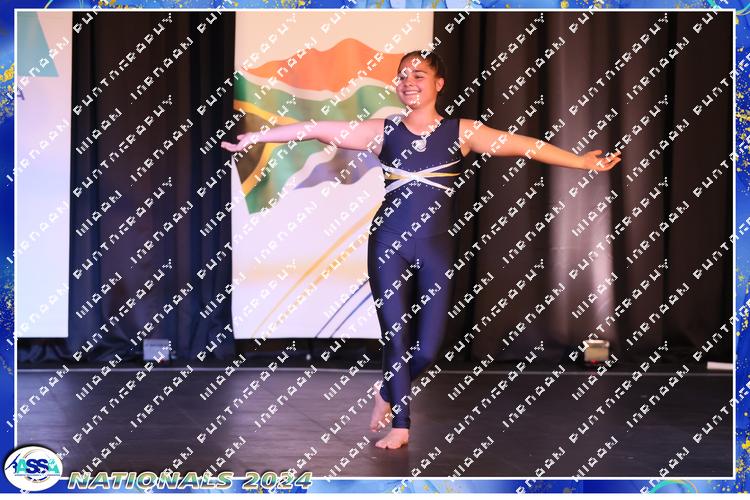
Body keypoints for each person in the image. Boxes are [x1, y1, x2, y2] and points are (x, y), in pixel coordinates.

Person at [221, 50, 622, 450]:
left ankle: (388, 389)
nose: (408, 82)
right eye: (402, 76)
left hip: (436, 247)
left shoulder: (461, 131)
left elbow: (524, 145)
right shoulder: (382, 132)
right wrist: (257, 137)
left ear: (438, 83)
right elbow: (315, 128)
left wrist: (579, 162)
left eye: (418, 75)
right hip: (388, 243)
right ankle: (401, 425)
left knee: (428, 349)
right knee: (396, 339)